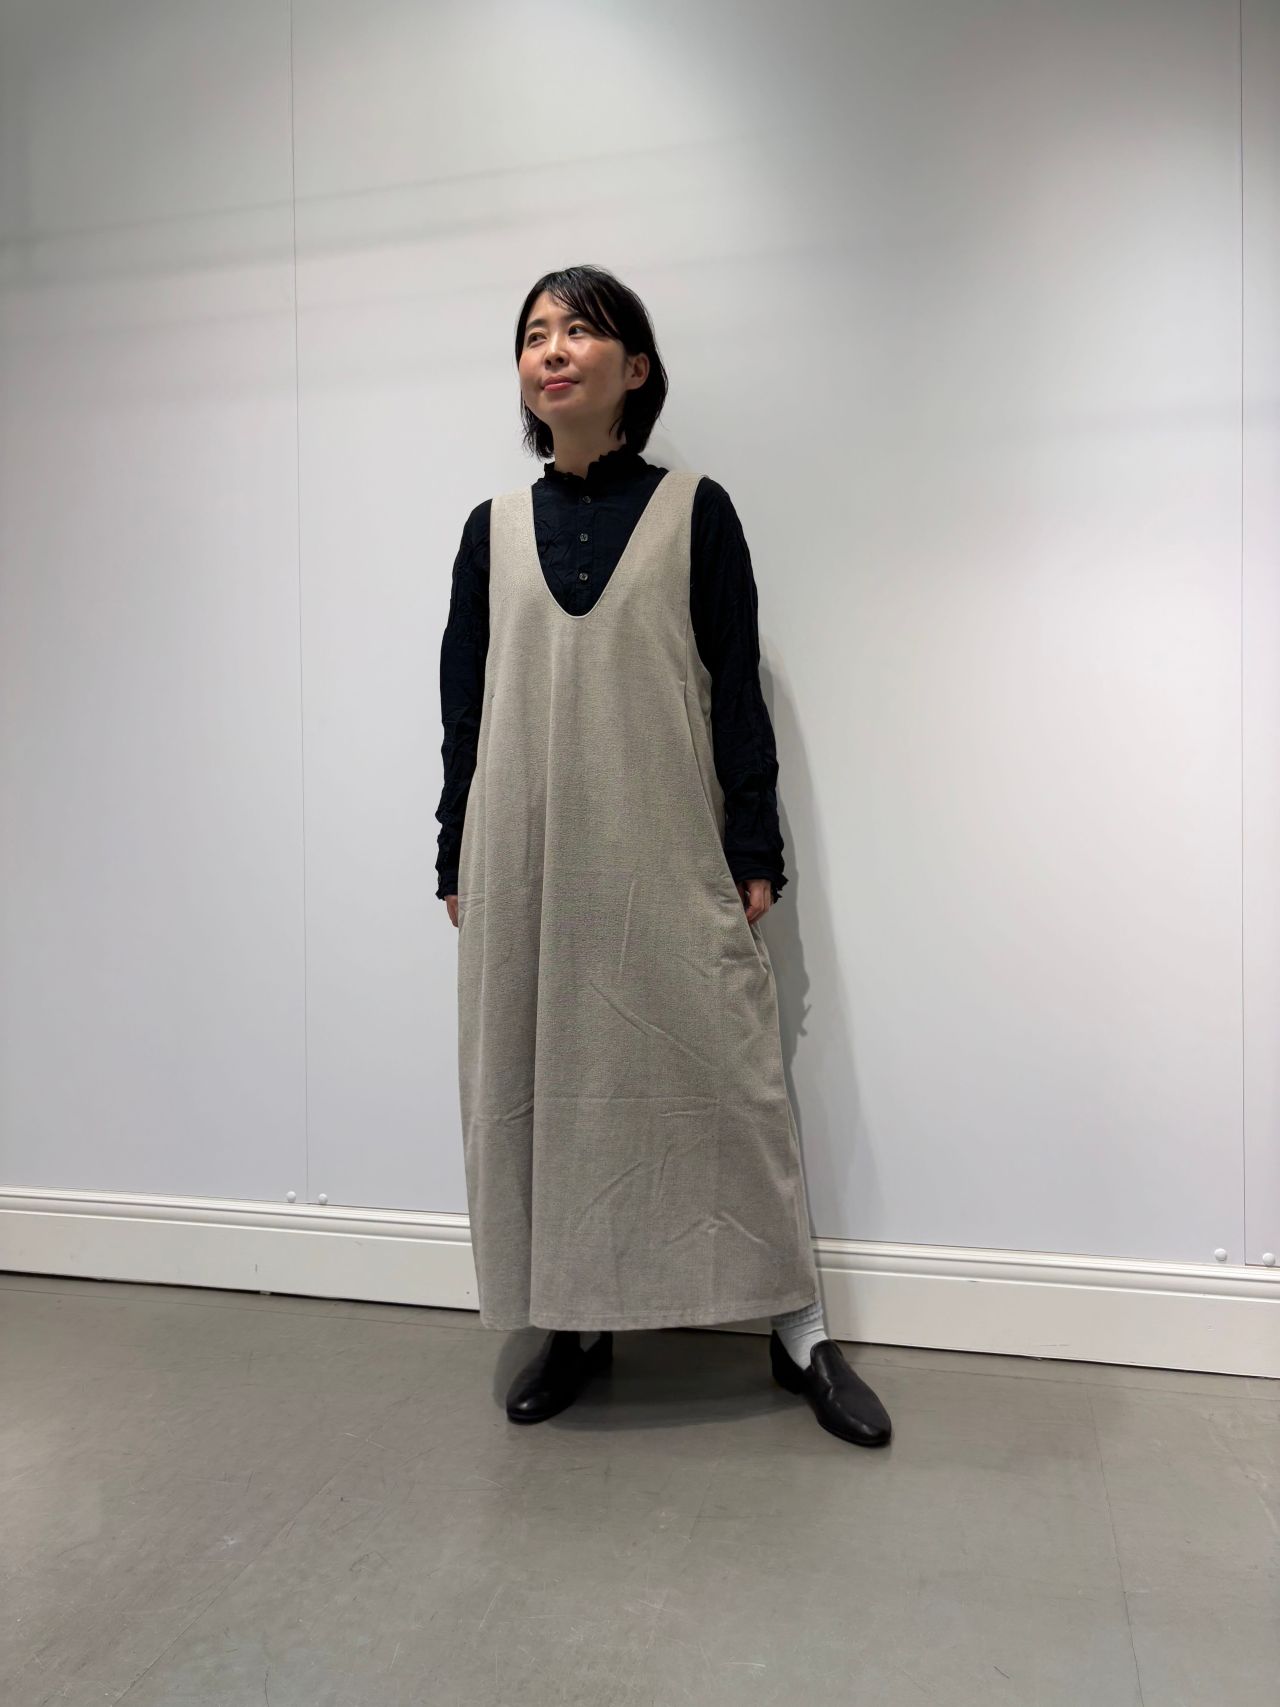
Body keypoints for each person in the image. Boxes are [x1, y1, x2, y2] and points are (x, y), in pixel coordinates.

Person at [436, 265, 891, 1449]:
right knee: (544, 1088)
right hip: (526, 855)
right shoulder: (490, 532)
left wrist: (753, 844)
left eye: (579, 330)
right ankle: (570, 1317)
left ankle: (797, 1328)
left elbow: (734, 688)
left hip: (662, 840)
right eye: (534, 333)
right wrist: (452, 853)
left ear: (633, 368)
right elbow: (463, 710)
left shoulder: (697, 511)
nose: (552, 349)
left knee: (726, 1084)